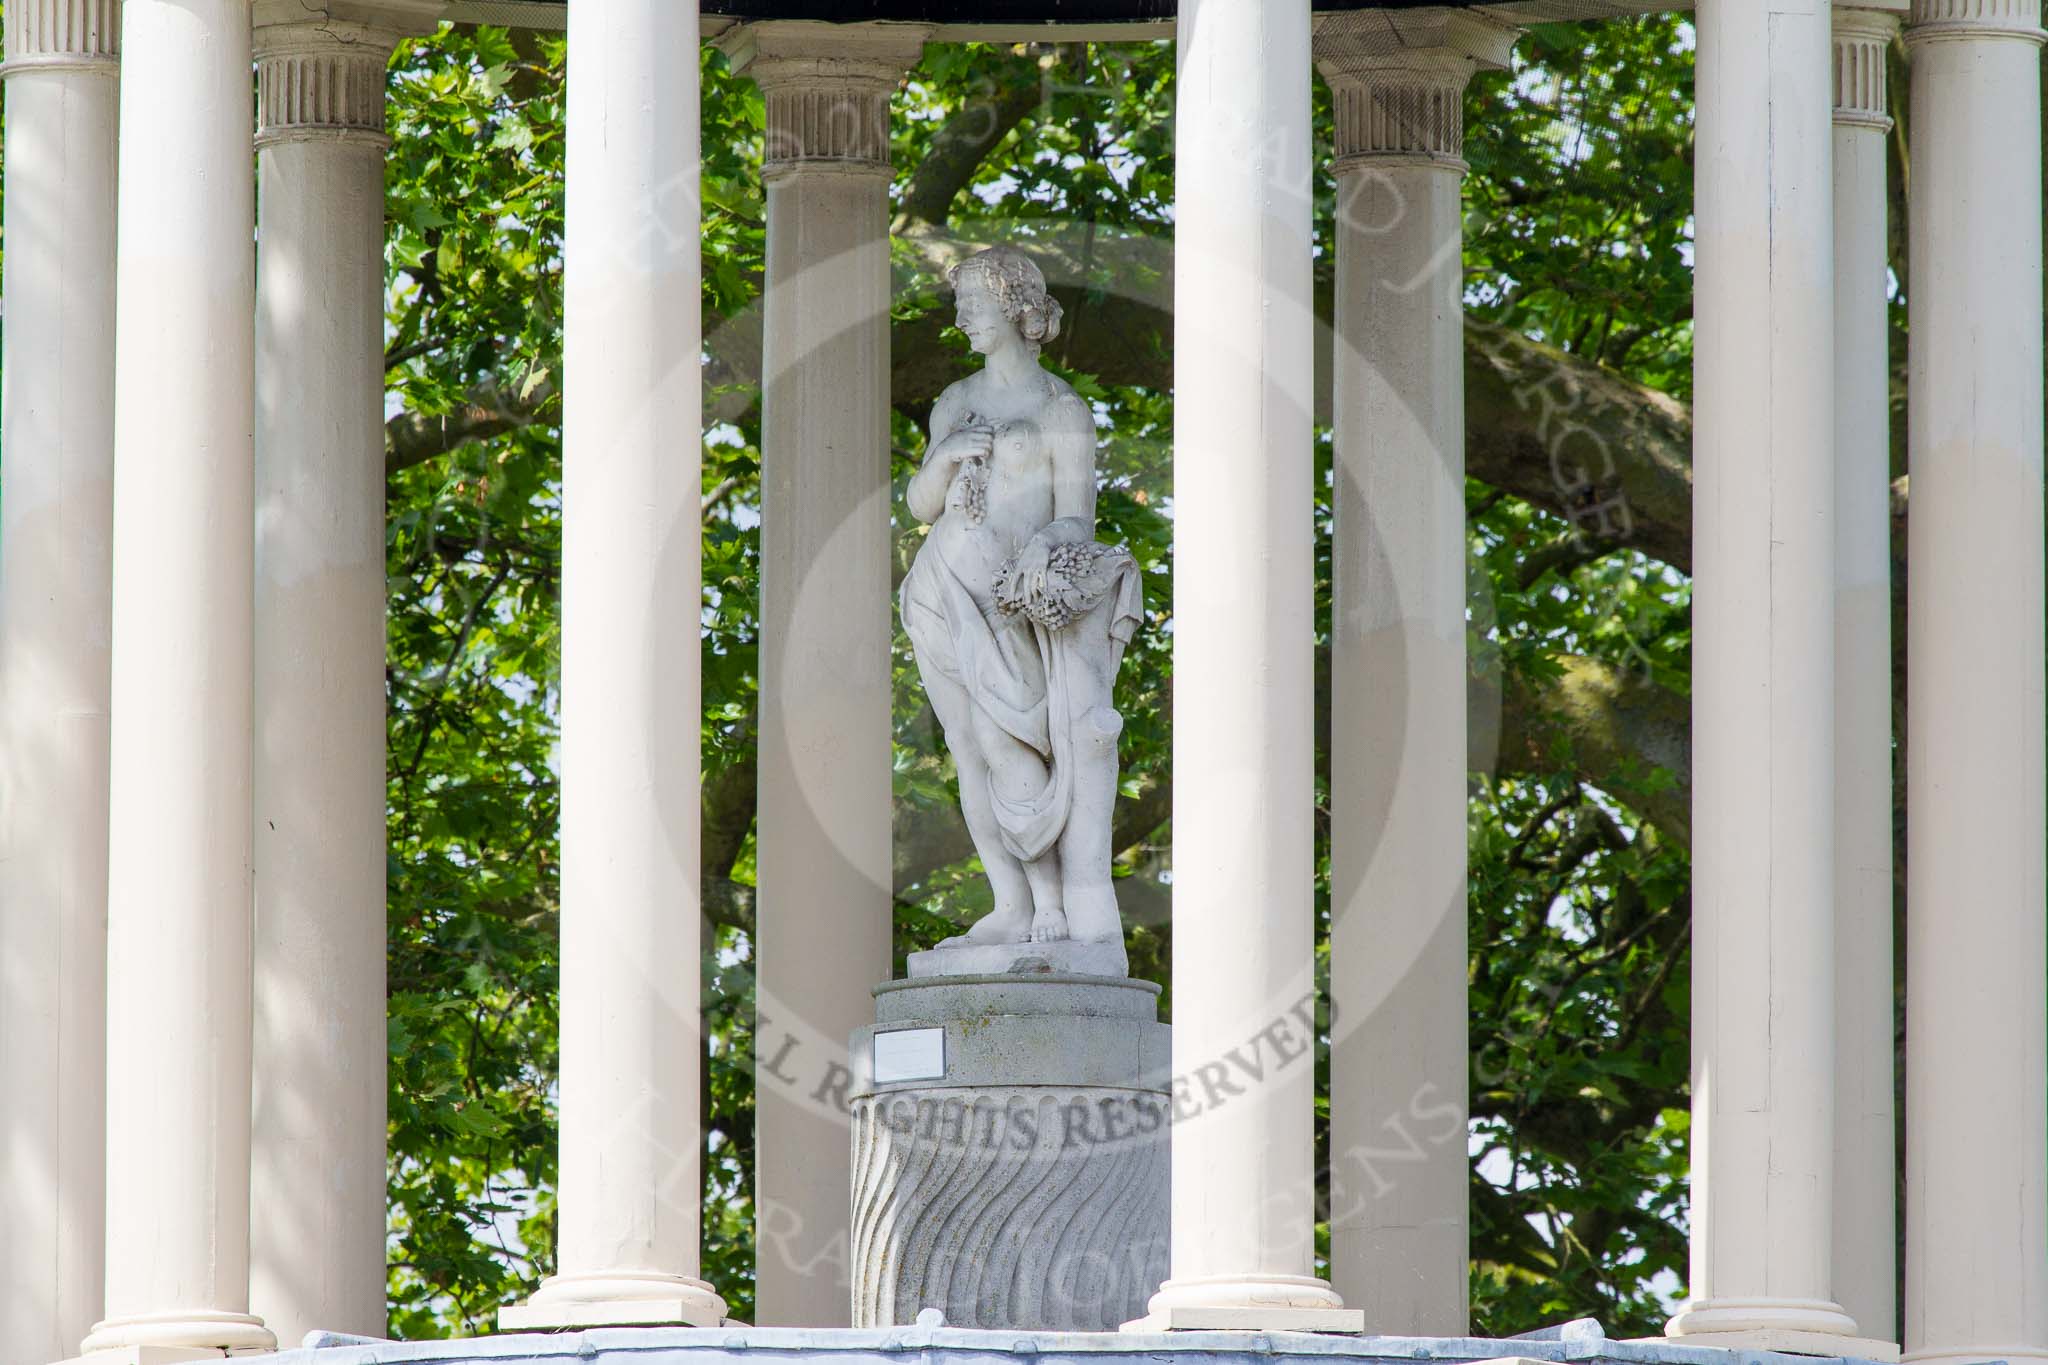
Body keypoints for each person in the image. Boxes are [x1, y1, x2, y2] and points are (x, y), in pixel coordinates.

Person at [900, 246, 1141, 957]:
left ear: (1014, 308)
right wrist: (944, 457)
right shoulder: (955, 402)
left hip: (1009, 601)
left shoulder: (1060, 410)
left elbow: (1077, 519)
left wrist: (1042, 550)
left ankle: (1054, 900)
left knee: (1012, 742)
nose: (962, 317)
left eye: (973, 303)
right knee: (968, 748)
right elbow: (920, 504)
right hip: (939, 592)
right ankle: (1010, 901)